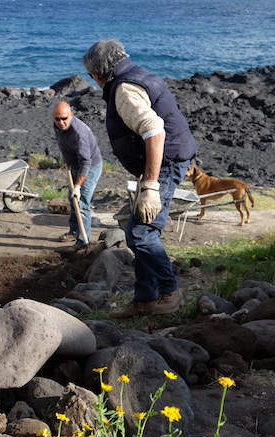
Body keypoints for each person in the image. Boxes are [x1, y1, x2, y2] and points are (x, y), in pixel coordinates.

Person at [82, 38, 197, 318]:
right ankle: (145, 300)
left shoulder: (124, 89)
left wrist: (150, 186)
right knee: (143, 228)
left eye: (91, 76)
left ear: (98, 73)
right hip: (170, 158)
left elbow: (155, 130)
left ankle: (171, 291)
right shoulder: (137, 74)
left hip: (165, 163)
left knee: (140, 233)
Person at [52, 101, 103, 249]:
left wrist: (78, 186)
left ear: (71, 115)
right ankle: (74, 231)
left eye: (64, 118)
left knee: (81, 203)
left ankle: (83, 242)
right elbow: (63, 140)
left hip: (89, 167)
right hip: (74, 164)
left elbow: (86, 163)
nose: (60, 122)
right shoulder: (58, 125)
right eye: (57, 119)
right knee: (72, 200)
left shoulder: (79, 134)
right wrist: (67, 157)